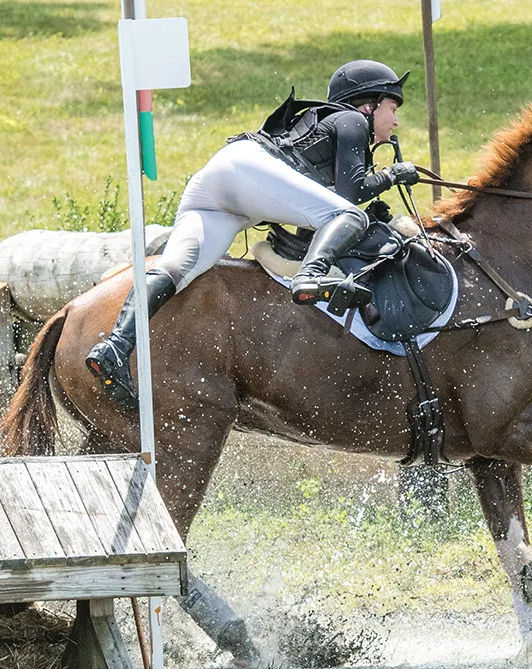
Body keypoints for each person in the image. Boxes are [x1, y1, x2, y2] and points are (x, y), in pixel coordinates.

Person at [86, 60, 421, 409]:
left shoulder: (330, 125)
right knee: (349, 215)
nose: (395, 121)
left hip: (221, 182)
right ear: (367, 104)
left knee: (177, 267)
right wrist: (393, 175)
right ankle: (310, 276)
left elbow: (316, 207)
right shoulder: (352, 119)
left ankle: (115, 346)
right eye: (392, 108)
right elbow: (348, 200)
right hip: (247, 172)